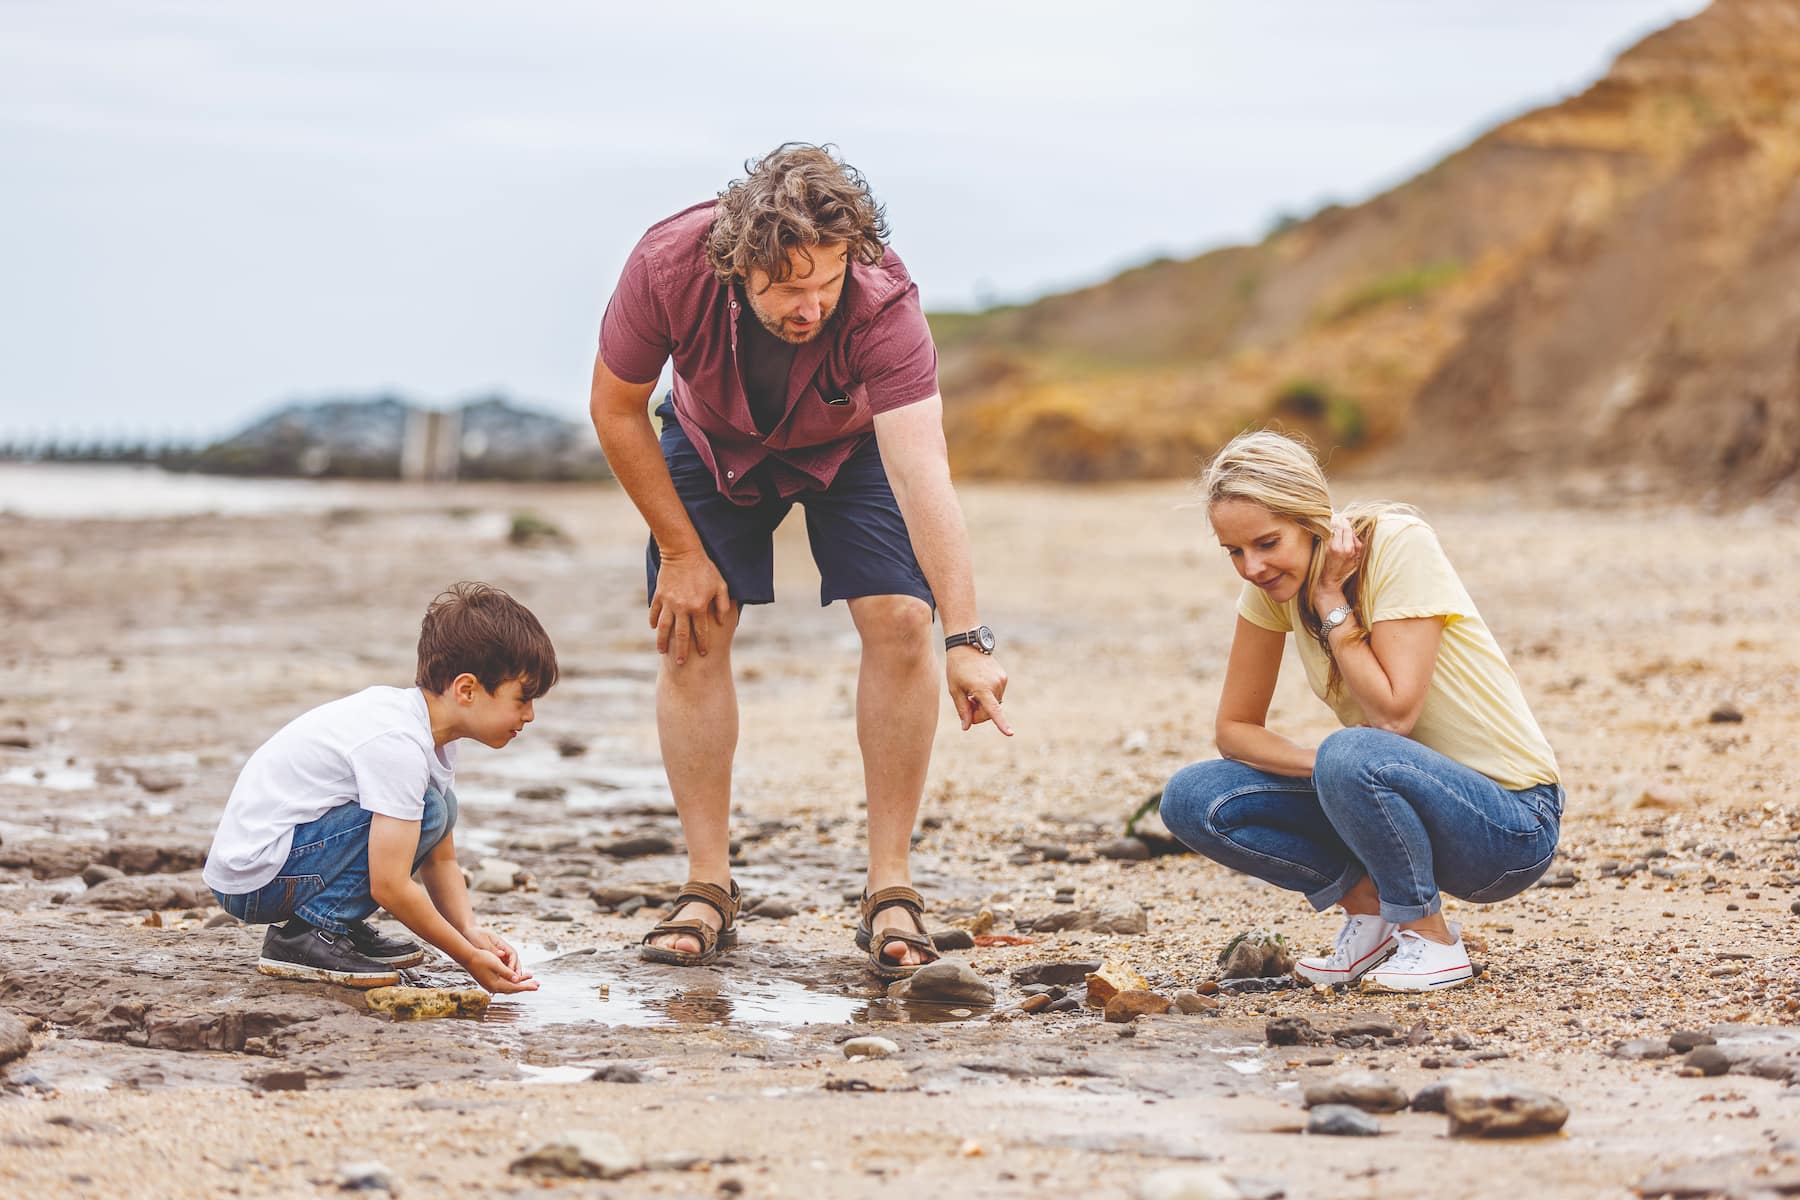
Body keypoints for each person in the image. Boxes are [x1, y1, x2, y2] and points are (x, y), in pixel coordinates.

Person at [590, 143, 1011, 978]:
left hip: (849, 448)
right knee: (694, 627)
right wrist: (680, 552)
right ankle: (707, 884)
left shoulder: (883, 302)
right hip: (712, 441)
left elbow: (921, 469)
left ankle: (891, 886)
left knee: (900, 619)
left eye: (826, 282)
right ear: (738, 263)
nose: (811, 305)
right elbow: (615, 408)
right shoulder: (666, 264)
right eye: (788, 287)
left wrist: (967, 638)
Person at [1159, 431, 1563, 991]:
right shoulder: (1269, 589)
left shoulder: (1399, 544)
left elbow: (1394, 716)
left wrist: (1331, 603)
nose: (1252, 567)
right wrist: (1328, 773)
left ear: (1313, 521)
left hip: (1508, 826)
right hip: (1392, 798)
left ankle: (1432, 940)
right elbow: (1235, 730)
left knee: (1352, 750)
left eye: (1267, 543)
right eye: (1234, 551)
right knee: (1194, 797)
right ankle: (1373, 912)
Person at [202, 582, 549, 993]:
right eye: (522, 698)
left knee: (441, 808)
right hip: (255, 879)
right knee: (430, 809)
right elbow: (391, 885)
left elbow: (439, 861)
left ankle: (335, 923)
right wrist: (467, 958)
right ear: (467, 689)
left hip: (280, 863)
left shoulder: (432, 736)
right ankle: (310, 934)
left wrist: (471, 931)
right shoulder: (397, 742)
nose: (529, 715)